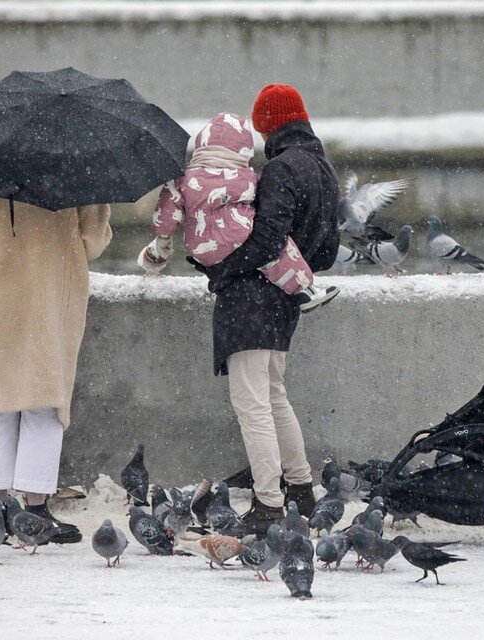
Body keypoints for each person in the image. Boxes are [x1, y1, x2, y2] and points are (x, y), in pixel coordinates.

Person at [194, 85, 341, 533]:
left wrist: (220, 269)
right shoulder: (323, 168)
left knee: (252, 405)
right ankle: (300, 490)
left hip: (250, 302)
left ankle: (268, 504)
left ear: (266, 126)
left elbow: (266, 240)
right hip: (284, 302)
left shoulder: (280, 169)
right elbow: (327, 251)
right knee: (275, 397)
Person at [0, 182, 112, 542]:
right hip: (50, 292)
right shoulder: (73, 162)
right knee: (44, 401)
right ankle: (35, 510)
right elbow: (93, 241)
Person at [137, 112, 339, 312]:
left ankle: (154, 257)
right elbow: (261, 209)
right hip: (238, 234)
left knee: (265, 255)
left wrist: (163, 238)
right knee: (280, 250)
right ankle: (303, 289)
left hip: (199, 247)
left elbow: (168, 209)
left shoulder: (183, 179)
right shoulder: (246, 177)